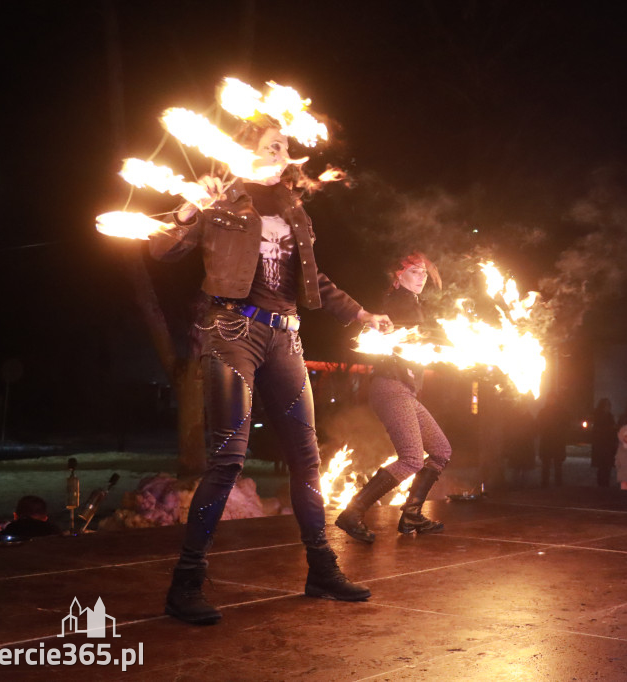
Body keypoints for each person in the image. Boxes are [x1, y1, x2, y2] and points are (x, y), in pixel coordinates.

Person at [149, 120, 392, 625]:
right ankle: (186, 582)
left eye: (284, 146)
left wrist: (361, 314)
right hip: (233, 332)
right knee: (229, 460)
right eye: (271, 145)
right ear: (245, 151)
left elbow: (314, 280)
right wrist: (189, 207)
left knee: (307, 459)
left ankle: (321, 570)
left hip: (286, 338)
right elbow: (162, 248)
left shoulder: (293, 208)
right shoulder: (220, 199)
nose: (282, 153)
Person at [336, 253, 453, 542]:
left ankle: (411, 514)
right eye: (414, 271)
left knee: (440, 450)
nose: (422, 276)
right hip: (391, 387)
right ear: (397, 276)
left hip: (405, 391)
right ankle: (353, 512)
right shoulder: (398, 302)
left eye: (424, 272)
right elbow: (396, 333)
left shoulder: (412, 304)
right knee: (412, 459)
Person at [537, 395, 569, 487]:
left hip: (556, 441)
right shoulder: (544, 412)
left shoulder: (560, 412)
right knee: (547, 465)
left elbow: (566, 425)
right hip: (549, 441)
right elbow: (539, 425)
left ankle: (556, 483)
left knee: (557, 465)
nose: (551, 400)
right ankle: (545, 483)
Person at [590, 398, 617, 487]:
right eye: (606, 406)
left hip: (608, 445)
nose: (607, 408)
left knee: (607, 467)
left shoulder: (610, 416)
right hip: (601, 445)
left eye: (608, 406)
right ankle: (601, 484)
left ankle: (605, 484)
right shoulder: (598, 416)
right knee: (602, 467)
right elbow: (597, 431)